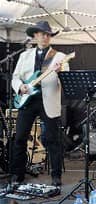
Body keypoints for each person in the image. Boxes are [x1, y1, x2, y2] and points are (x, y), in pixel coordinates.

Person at [10, 21, 69, 186]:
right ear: (35, 35)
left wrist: (60, 71)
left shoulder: (59, 57)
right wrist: (20, 87)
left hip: (48, 101)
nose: (45, 37)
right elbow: (15, 77)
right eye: (42, 34)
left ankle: (56, 176)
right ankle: (17, 175)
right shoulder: (25, 55)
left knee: (52, 140)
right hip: (27, 101)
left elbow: (67, 79)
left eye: (48, 34)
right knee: (20, 138)